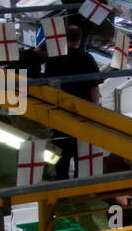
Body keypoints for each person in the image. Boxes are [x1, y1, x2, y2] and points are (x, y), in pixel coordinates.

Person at [43, 22, 101, 177]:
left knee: (60, 147)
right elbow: (94, 88)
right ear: (80, 39)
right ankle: (78, 179)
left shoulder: (54, 58)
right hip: (82, 111)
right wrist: (96, 110)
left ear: (63, 38)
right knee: (80, 148)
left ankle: (60, 177)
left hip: (60, 110)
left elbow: (48, 85)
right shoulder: (87, 58)